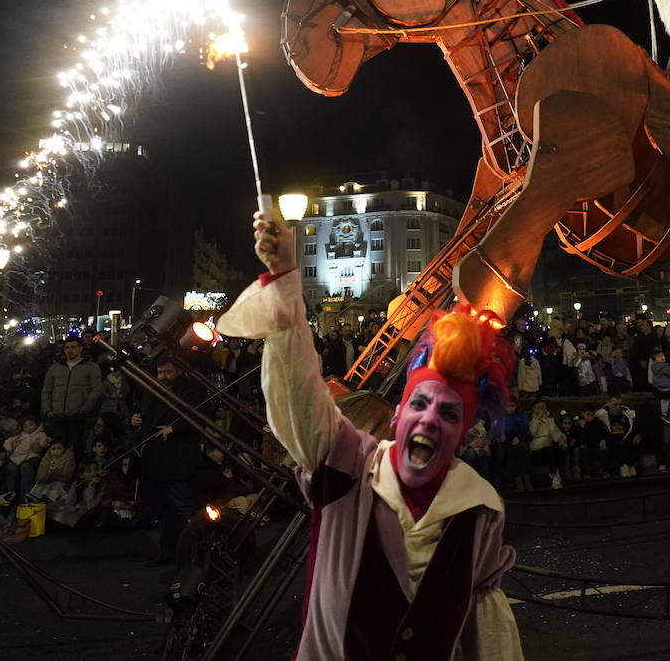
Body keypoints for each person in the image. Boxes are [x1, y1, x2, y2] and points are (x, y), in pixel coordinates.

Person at [215, 206, 524, 659]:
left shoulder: (478, 513)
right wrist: (285, 276)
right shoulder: (348, 465)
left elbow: (490, 639)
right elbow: (301, 395)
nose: (430, 419)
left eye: (449, 413)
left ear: (461, 436)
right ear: (397, 416)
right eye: (419, 403)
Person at [131, 354, 202, 565]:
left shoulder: (190, 390)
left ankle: (192, 554)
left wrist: (175, 428)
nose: (162, 376)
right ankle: (167, 552)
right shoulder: (152, 390)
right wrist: (135, 419)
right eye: (160, 372)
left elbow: (200, 415)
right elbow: (146, 415)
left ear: (178, 371)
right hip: (154, 461)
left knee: (183, 510)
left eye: (167, 372)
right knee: (163, 512)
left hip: (176, 460)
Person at [41, 340, 102, 457]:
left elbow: (97, 390)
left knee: (76, 449)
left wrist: (84, 410)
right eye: (67, 348)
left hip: (77, 415)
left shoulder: (91, 367)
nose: (70, 350)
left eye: (73, 347)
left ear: (81, 349)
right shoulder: (55, 367)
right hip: (57, 415)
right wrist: (48, 410)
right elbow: (47, 390)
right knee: (58, 450)